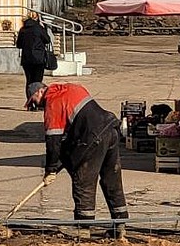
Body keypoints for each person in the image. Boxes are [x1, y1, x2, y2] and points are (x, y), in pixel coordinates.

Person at [27, 81, 127, 235]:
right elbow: (74, 131)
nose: (36, 106)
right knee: (111, 179)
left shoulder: (52, 103)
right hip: (110, 129)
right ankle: (120, 224)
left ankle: (83, 228)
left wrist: (51, 170)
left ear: (39, 92)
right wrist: (64, 159)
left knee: (83, 180)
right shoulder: (70, 88)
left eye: (33, 101)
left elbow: (53, 142)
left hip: (94, 137)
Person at [15, 13, 51, 100]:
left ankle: (30, 102)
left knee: (29, 80)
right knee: (37, 81)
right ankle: (37, 101)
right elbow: (47, 40)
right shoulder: (39, 28)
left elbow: (19, 45)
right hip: (39, 58)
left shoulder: (22, 30)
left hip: (26, 59)